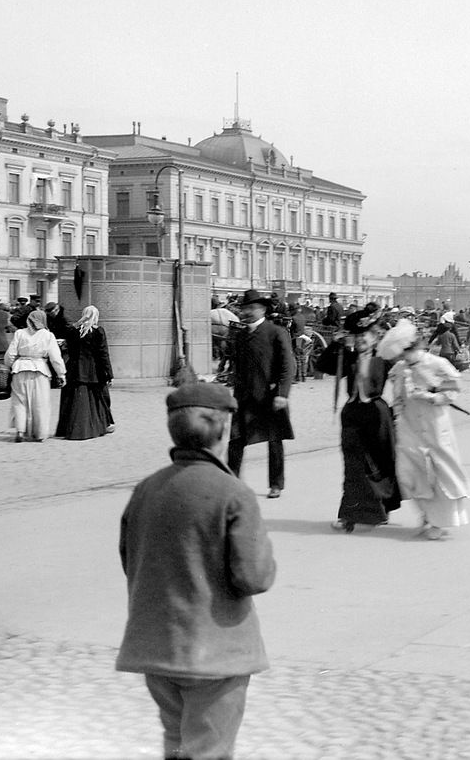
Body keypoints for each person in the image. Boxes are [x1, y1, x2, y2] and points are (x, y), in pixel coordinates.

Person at [116, 382, 276, 760]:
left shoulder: (146, 488)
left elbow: (130, 559)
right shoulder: (233, 493)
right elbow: (255, 576)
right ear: (222, 430)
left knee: (177, 746)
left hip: (157, 648)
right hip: (216, 653)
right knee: (209, 752)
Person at [379, 319, 470, 540]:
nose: (404, 358)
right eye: (401, 355)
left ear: (416, 347)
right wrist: (398, 417)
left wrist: (430, 397)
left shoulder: (437, 363)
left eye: (407, 353)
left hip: (435, 423)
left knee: (440, 470)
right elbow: (398, 397)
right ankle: (426, 514)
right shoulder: (400, 369)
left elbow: (454, 389)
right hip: (410, 425)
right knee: (411, 470)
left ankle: (439, 521)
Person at [333, 310, 402, 533]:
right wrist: (335, 345)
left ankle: (382, 511)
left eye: (366, 337)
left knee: (379, 464)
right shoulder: (348, 357)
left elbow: (404, 375)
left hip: (378, 415)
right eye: (358, 337)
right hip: (352, 414)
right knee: (352, 466)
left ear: (375, 339)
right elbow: (324, 366)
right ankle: (348, 515)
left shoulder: (383, 360)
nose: (361, 340)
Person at [226, 289, 296, 499]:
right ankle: (232, 482)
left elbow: (288, 366)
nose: (247, 312)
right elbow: (237, 368)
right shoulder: (239, 336)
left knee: (274, 442)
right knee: (236, 440)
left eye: (252, 308)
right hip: (244, 397)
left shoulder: (276, 332)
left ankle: (276, 484)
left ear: (263, 309)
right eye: (245, 308)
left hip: (270, 396)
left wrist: (282, 393)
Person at [2, 309, 66, 443]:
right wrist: (61, 374)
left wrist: (9, 365)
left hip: (20, 369)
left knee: (19, 402)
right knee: (40, 403)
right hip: (40, 369)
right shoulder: (48, 335)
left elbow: (10, 354)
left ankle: (20, 431)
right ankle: (40, 433)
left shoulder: (19, 333)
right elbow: (55, 357)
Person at [56, 306, 115, 440]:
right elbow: (103, 354)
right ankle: (97, 426)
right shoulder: (98, 331)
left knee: (74, 399)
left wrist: (77, 323)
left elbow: (68, 342)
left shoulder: (74, 331)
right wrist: (109, 374)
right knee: (97, 398)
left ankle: (68, 428)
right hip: (93, 370)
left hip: (74, 369)